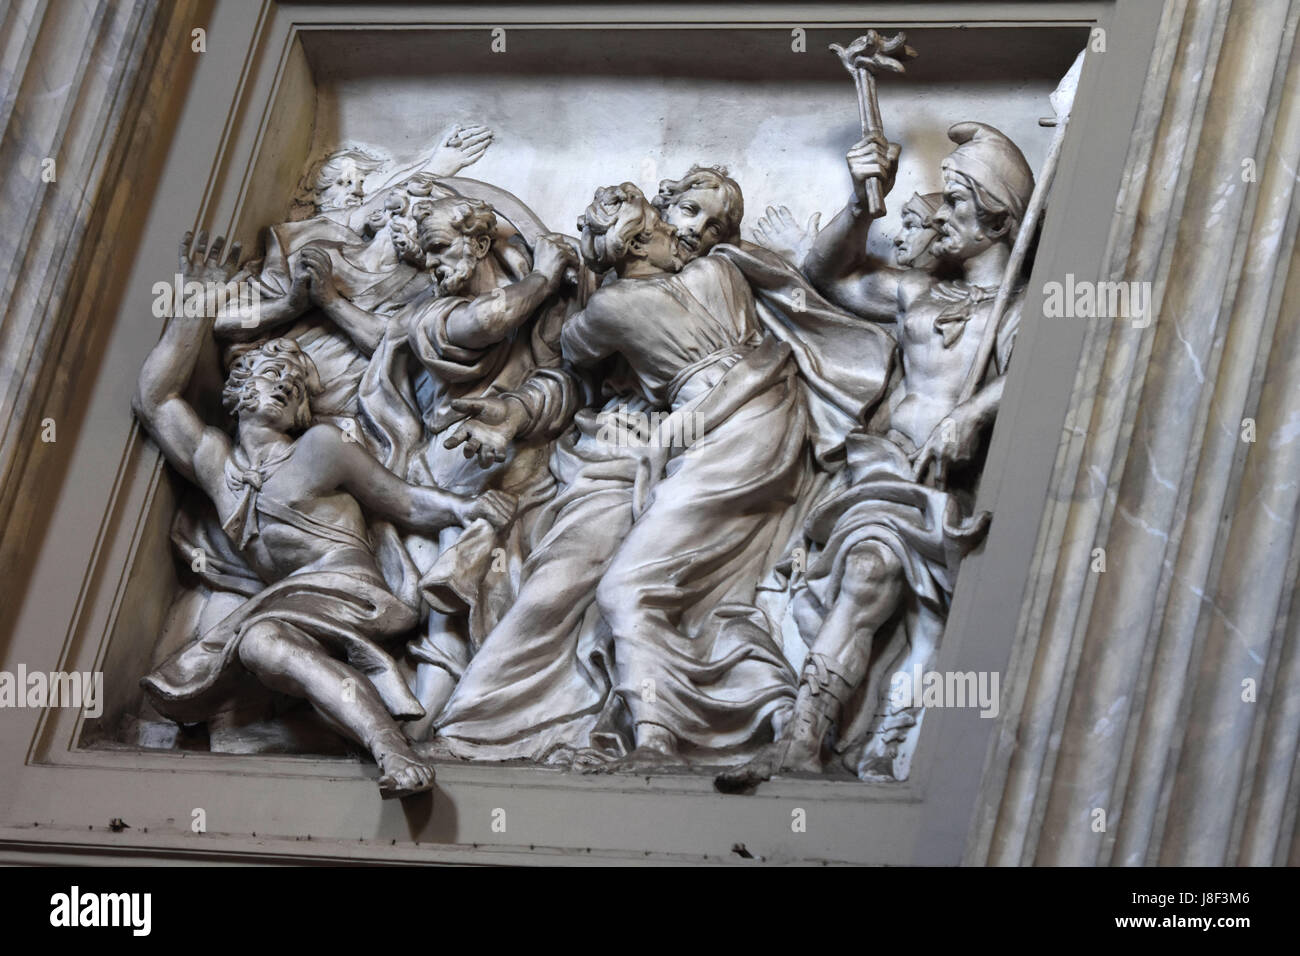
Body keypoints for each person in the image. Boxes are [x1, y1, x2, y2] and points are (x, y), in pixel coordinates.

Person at [134, 232, 514, 796]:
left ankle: (390, 747)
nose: (284, 385)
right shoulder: (216, 461)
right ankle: (340, 734)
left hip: (351, 591)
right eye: (271, 375)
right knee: (263, 644)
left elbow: (403, 500)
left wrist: (466, 505)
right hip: (287, 600)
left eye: (295, 385)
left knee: (261, 640)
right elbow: (156, 398)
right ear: (236, 393)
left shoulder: (320, 449)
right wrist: (196, 303)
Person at [717, 121, 1034, 790]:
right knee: (861, 576)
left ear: (999, 218)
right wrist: (865, 202)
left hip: (943, 487)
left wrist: (974, 412)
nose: (941, 214)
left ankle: (815, 741)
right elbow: (824, 273)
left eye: (956, 201)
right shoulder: (915, 292)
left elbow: (1036, 373)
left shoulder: (1016, 310)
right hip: (885, 469)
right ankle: (803, 742)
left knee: (877, 586)